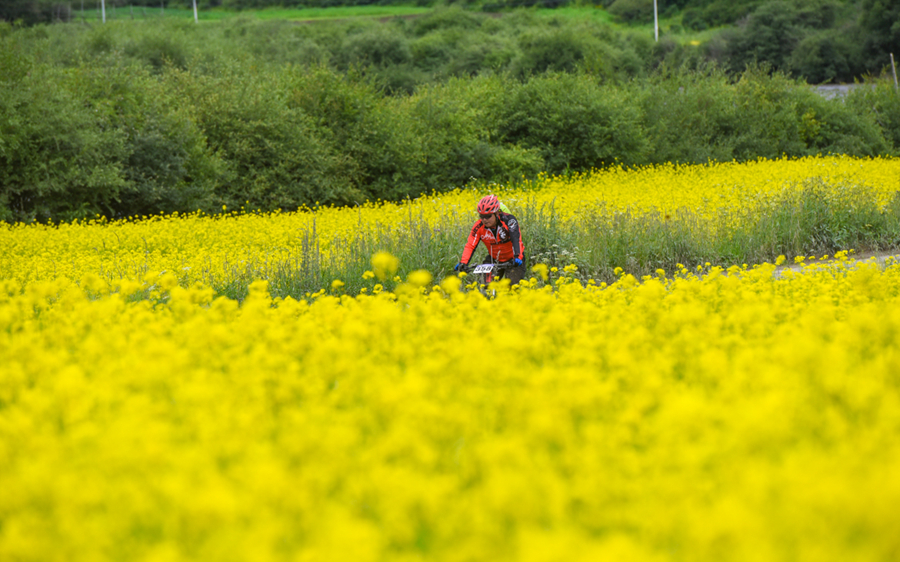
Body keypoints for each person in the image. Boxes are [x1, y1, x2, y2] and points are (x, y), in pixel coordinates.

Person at [454, 195, 526, 285]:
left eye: (488, 216)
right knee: (485, 286)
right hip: (494, 259)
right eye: (482, 216)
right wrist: (463, 262)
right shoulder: (478, 226)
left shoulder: (509, 220)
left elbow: (516, 239)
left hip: (513, 259)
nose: (484, 219)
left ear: (496, 213)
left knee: (513, 287)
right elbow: (470, 245)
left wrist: (518, 256)